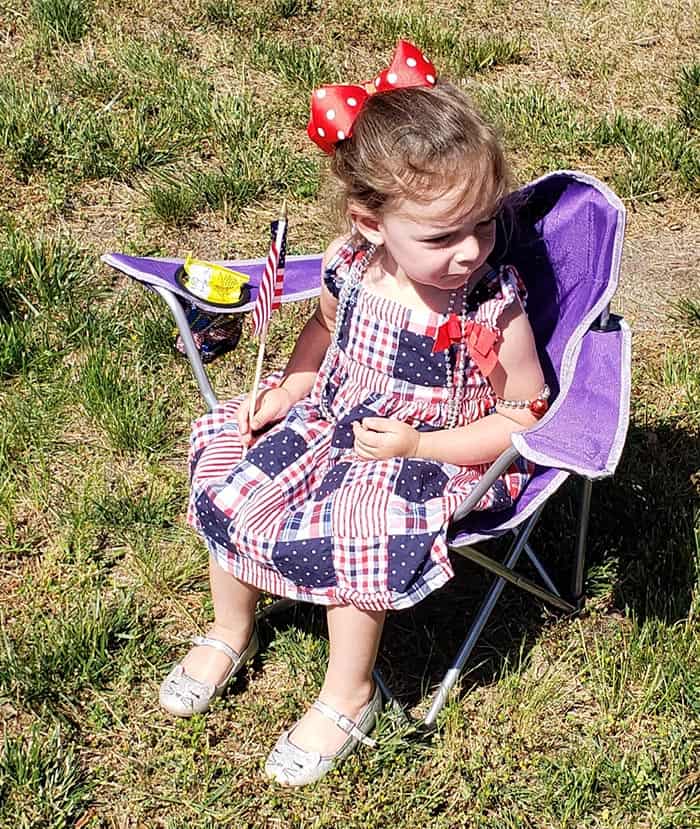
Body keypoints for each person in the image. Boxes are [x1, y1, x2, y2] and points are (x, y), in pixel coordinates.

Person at [159, 40, 548, 786]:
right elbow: (322, 333)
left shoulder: (492, 306)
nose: (471, 251)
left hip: (435, 455)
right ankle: (228, 628)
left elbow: (525, 415)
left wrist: (421, 442)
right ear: (370, 224)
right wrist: (287, 391)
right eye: (443, 235)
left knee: (359, 527)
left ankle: (349, 692)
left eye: (486, 224)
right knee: (230, 477)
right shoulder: (350, 265)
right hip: (336, 418)